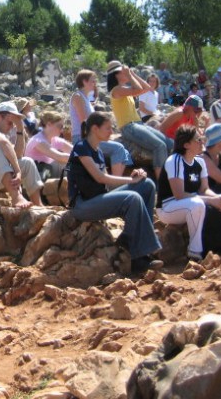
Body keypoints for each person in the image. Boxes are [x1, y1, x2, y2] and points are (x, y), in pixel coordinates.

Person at [67, 112, 163, 274]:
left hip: (97, 199)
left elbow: (106, 183)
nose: (111, 131)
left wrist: (134, 179)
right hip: (81, 205)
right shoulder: (81, 148)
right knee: (132, 197)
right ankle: (139, 258)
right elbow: (100, 177)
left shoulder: (97, 151)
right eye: (108, 128)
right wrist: (130, 181)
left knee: (146, 185)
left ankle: (130, 237)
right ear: (95, 129)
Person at [156, 125, 221, 261]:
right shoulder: (175, 160)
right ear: (186, 144)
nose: (202, 142)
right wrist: (210, 201)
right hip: (168, 208)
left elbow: (204, 189)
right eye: (198, 139)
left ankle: (219, 239)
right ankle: (195, 251)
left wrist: (218, 199)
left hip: (192, 203)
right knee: (197, 204)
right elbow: (179, 194)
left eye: (201, 138)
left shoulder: (200, 162)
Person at [107, 61, 172, 180]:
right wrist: (130, 75)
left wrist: (131, 73)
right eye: (123, 71)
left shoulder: (124, 89)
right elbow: (138, 90)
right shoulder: (116, 90)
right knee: (160, 146)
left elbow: (146, 88)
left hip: (138, 124)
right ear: (116, 75)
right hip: (129, 127)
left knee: (170, 143)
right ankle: (161, 184)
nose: (126, 72)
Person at [70, 69, 133, 176]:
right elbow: (85, 122)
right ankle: (115, 184)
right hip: (82, 138)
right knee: (118, 149)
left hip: (90, 137)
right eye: (93, 81)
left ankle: (119, 180)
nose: (95, 83)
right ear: (84, 81)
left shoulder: (85, 98)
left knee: (126, 151)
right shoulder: (78, 97)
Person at [25, 111, 72, 179]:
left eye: (62, 127)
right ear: (49, 124)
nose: (62, 130)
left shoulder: (55, 139)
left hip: (46, 173)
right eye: (60, 126)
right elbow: (59, 157)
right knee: (63, 164)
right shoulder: (38, 141)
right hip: (35, 177)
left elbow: (74, 150)